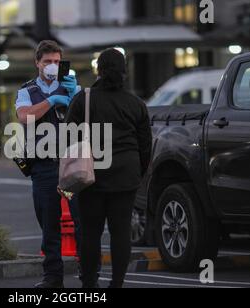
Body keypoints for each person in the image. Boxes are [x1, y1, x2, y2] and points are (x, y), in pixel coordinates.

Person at [66, 48, 153, 288]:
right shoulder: (136, 103)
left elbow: (67, 137)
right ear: (124, 71)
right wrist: (138, 171)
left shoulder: (84, 99)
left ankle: (90, 284)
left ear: (98, 70)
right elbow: (146, 145)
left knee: (90, 233)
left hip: (90, 175)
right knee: (121, 232)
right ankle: (117, 283)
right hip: (126, 174)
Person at [16, 40, 82, 288]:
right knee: (49, 224)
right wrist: (52, 100)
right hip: (44, 166)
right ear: (37, 63)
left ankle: (88, 274)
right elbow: (24, 117)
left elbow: (89, 117)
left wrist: (74, 95)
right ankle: (53, 278)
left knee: (81, 220)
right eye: (47, 62)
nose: (52, 66)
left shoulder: (72, 87)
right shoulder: (27, 90)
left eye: (56, 61)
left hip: (72, 163)